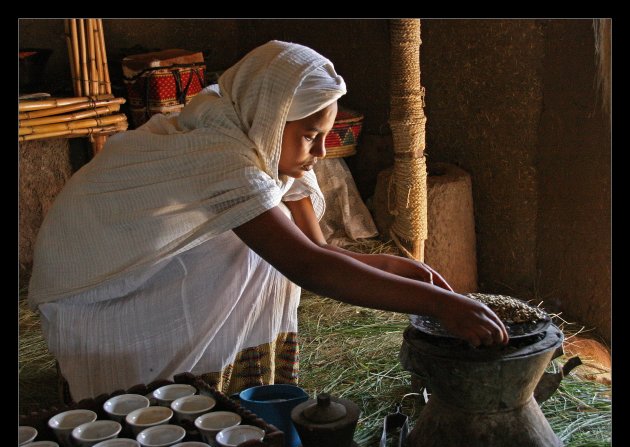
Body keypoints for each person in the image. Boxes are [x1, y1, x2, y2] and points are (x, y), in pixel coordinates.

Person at [28, 40, 508, 402]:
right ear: (272, 117)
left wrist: (404, 270)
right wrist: (440, 305)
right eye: (310, 137)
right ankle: (163, 394)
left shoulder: (254, 134)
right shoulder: (222, 154)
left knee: (261, 246)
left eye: (326, 135)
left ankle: (229, 390)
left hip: (137, 268)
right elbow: (307, 266)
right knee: (257, 251)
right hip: (97, 293)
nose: (321, 154)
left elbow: (319, 251)